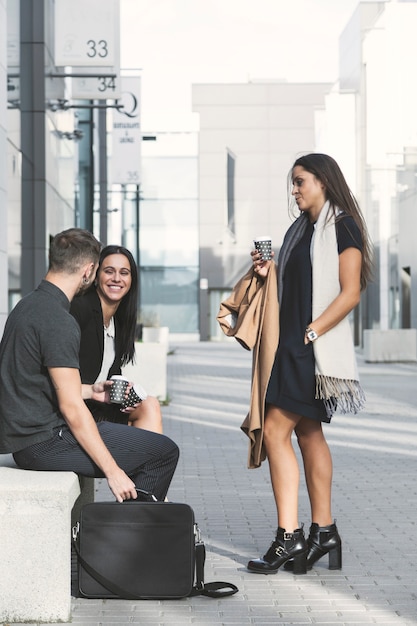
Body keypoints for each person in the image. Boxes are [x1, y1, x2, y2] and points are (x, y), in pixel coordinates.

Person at [218, 153, 372, 574]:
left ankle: (289, 537)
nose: (294, 189)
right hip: (290, 345)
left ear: (323, 180)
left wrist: (312, 331)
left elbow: (350, 291)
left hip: (308, 347)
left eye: (300, 181)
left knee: (273, 430)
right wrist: (269, 273)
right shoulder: (301, 228)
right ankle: (325, 533)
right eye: (293, 182)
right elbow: (297, 285)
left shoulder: (342, 226)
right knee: (308, 432)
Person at [0, 228, 179, 503]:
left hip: (30, 438)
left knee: (153, 439)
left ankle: (133, 529)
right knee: (163, 453)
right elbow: (71, 408)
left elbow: (43, 383)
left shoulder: (29, 305)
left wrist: (91, 391)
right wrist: (113, 471)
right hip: (44, 442)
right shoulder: (58, 318)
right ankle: (132, 537)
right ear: (89, 270)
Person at [70, 244, 163, 434]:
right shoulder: (81, 309)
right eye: (109, 271)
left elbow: (112, 375)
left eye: (124, 273)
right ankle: (150, 461)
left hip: (98, 406)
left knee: (149, 405)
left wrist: (125, 397)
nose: (117, 279)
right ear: (96, 275)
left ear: (131, 280)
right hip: (74, 408)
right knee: (147, 411)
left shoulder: (118, 321)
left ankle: (149, 460)